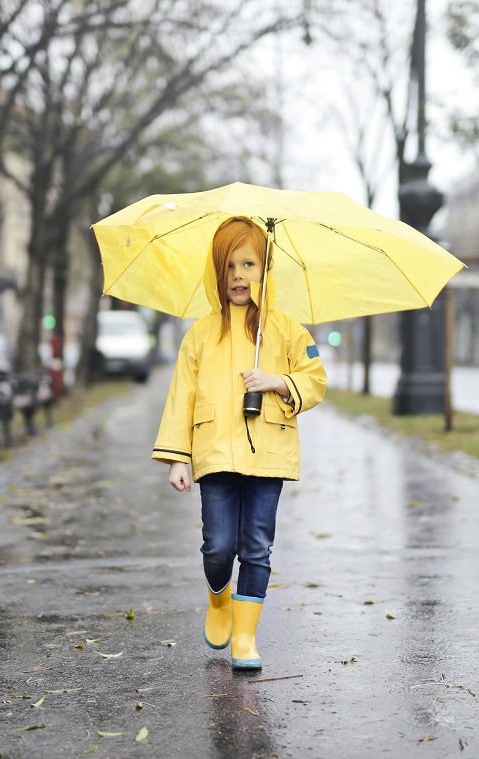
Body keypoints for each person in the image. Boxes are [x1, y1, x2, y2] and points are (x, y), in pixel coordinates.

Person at [152, 216, 327, 670]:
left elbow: (316, 379)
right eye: (229, 266)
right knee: (218, 545)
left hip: (269, 452)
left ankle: (245, 638)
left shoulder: (286, 329)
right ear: (217, 273)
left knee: (256, 545)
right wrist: (177, 458)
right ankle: (218, 599)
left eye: (249, 264)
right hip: (215, 453)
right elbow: (181, 397)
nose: (238, 276)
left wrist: (278, 380)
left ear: (265, 271)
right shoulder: (201, 334)